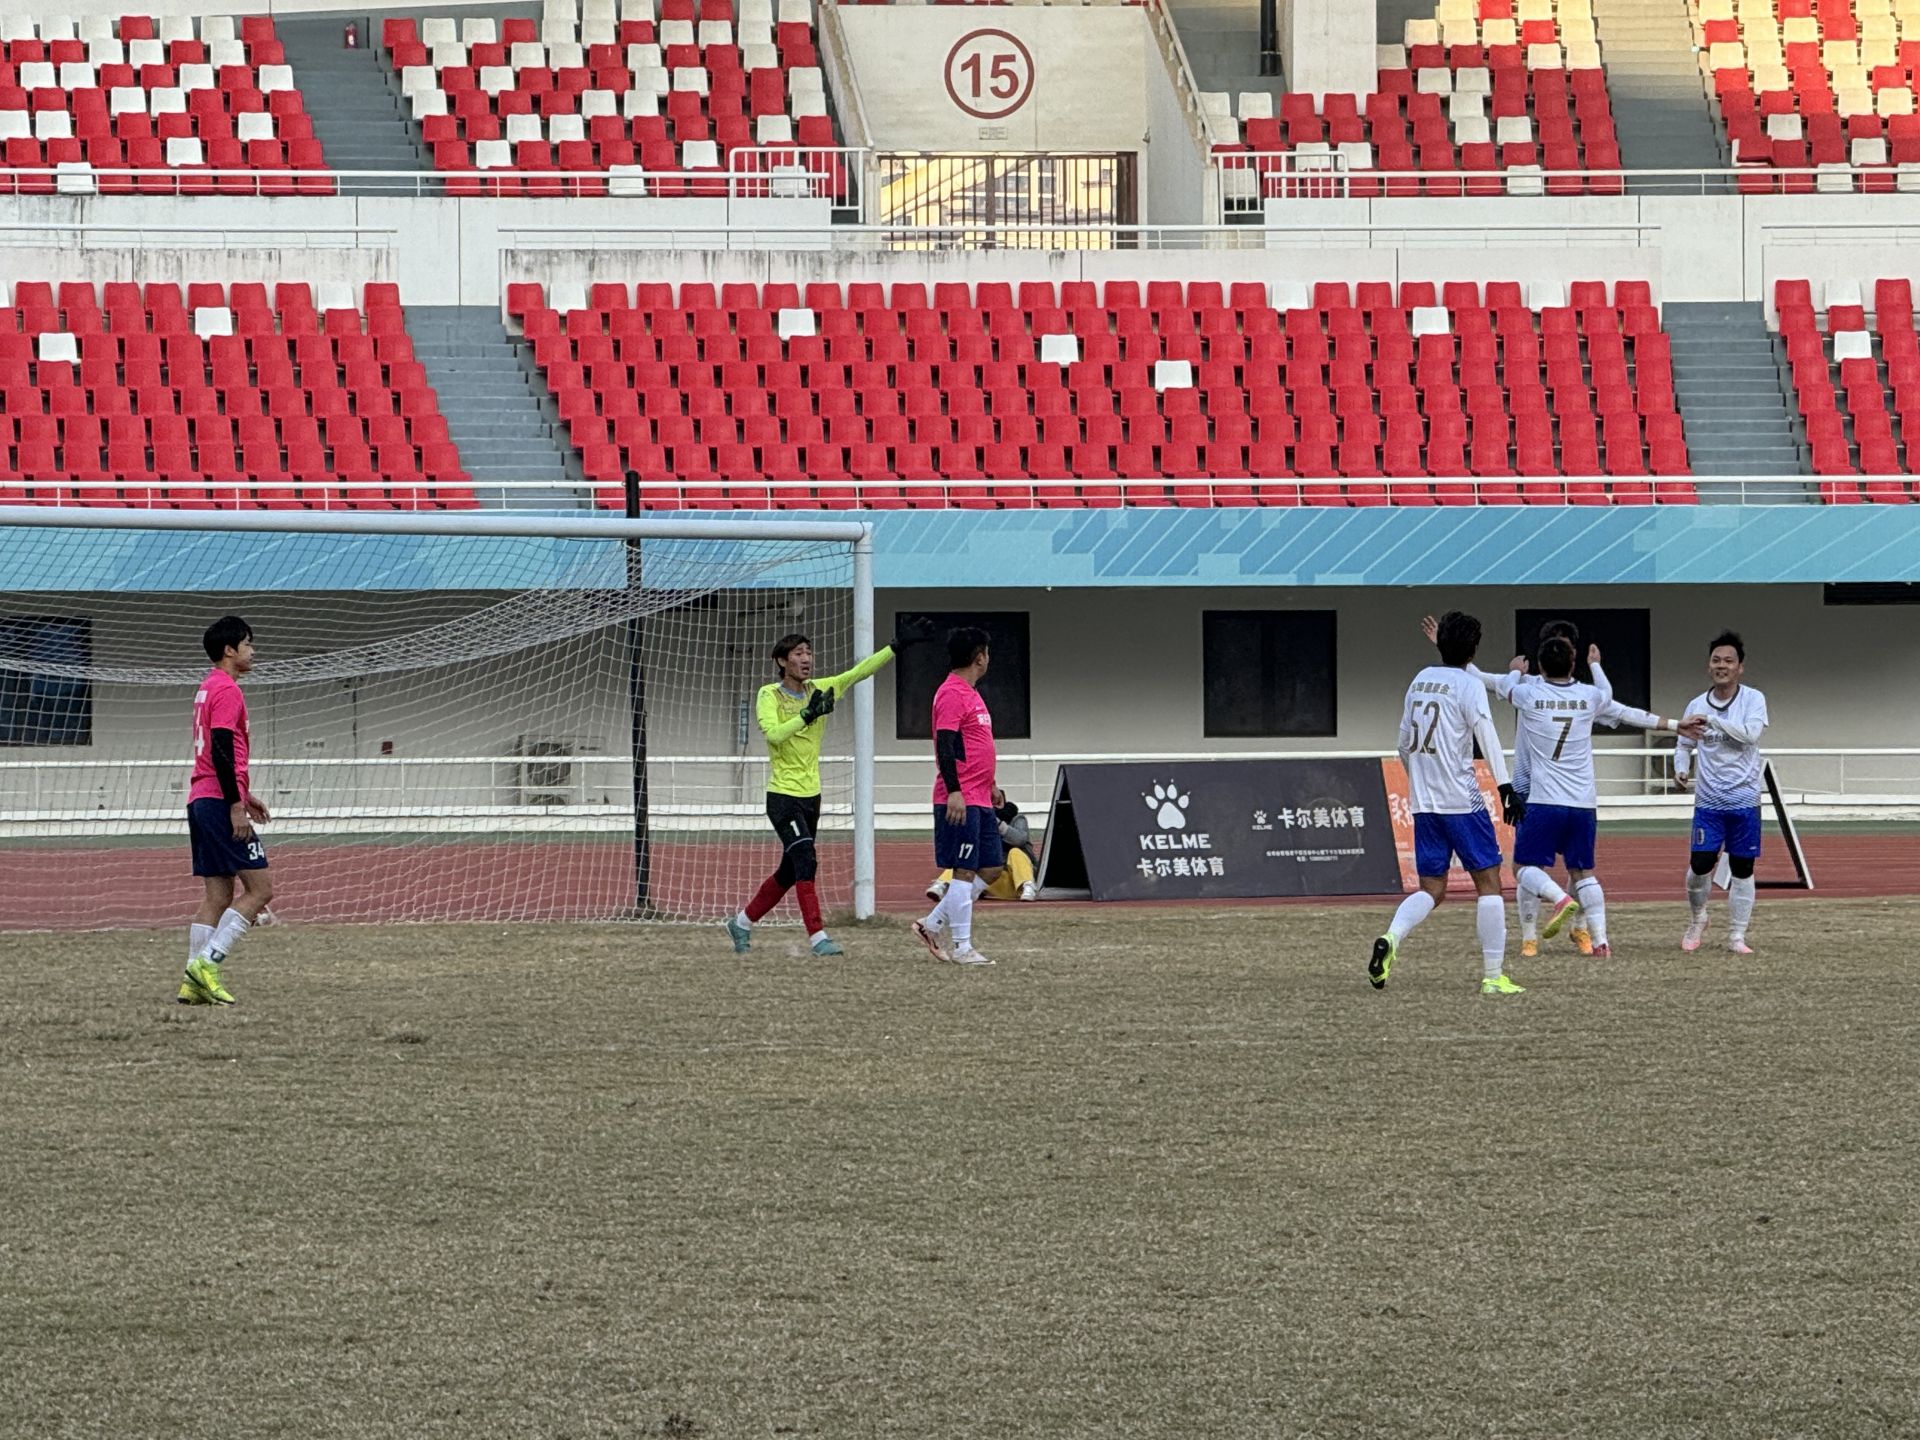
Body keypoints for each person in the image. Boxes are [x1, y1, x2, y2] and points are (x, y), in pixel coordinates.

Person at [1481, 636, 1706, 959]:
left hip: (1544, 802)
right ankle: (1601, 942)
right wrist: (1675, 724)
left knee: (1523, 867)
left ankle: (1559, 902)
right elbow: (1626, 711)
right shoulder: (1589, 696)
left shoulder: (1529, 694)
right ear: (1573, 663)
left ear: (1540, 665)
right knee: (1583, 872)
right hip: (1583, 805)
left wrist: (1514, 670)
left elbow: (1498, 685)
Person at [726, 617, 932, 957]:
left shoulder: (821, 689)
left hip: (812, 796)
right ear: (782, 661)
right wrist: (807, 715)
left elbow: (860, 672)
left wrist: (896, 646)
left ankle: (742, 923)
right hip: (783, 796)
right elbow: (774, 735)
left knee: (789, 871)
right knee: (806, 859)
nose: (806, 659)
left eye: (808, 652)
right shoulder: (769, 694)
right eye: (798, 653)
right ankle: (818, 937)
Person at [1371, 610, 1520, 996]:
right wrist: (1505, 788)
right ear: (1474, 649)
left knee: (1432, 889)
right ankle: (1493, 976)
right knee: (1489, 883)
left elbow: (1403, 744)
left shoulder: (1420, 680)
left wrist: (1419, 781)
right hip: (1462, 800)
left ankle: (1391, 937)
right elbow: (1486, 734)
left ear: (1440, 644)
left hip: (1424, 803)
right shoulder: (1469, 686)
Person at [179, 615, 273, 1006]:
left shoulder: (207, 687)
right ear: (229, 650)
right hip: (219, 801)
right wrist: (236, 804)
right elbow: (220, 749)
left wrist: (244, 794)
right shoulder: (227, 689)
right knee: (261, 890)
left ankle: (191, 982)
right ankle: (208, 963)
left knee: (218, 894)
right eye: (248, 643)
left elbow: (216, 754)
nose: (253, 651)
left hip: (202, 798)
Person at [1674, 631, 1770, 954]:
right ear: (1708, 665)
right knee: (1700, 864)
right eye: (1716, 660)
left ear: (1740, 667)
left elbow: (1750, 735)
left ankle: (1737, 936)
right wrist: (1681, 768)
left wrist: (1714, 722)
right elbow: (1683, 743)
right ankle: (1698, 918)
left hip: (1745, 801)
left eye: (1729, 661)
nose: (1722, 666)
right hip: (1709, 802)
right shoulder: (1696, 704)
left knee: (1743, 868)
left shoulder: (1753, 699)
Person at [913, 627, 1001, 966]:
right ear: (979, 657)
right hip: (961, 797)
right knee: (963, 869)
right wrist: (954, 791)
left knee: (992, 867)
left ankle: (932, 923)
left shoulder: (972, 693)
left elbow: (976, 745)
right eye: (987, 653)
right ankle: (963, 948)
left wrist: (992, 784)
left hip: (981, 795)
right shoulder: (951, 693)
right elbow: (946, 746)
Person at [926, 787, 1038, 903]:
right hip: (994, 880)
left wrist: (997, 824)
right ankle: (943, 884)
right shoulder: (978, 821)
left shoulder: (1017, 818)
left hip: (1016, 877)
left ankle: (1028, 886)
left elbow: (1019, 839)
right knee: (964, 860)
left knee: (1015, 852)